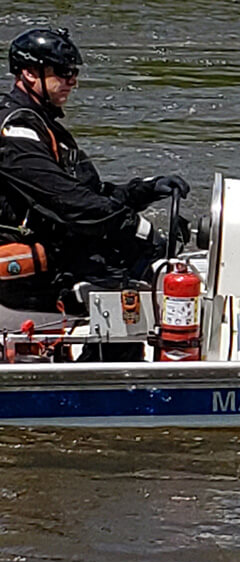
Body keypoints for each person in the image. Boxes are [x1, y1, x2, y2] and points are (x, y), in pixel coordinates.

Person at [0, 28, 189, 361]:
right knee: (125, 291)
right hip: (25, 271)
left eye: (74, 72)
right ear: (29, 74)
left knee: (139, 260)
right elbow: (67, 202)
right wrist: (132, 225)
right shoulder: (16, 131)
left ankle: (114, 361)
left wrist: (143, 191)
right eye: (63, 72)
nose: (72, 80)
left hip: (54, 250)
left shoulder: (42, 125)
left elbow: (88, 193)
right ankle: (114, 378)